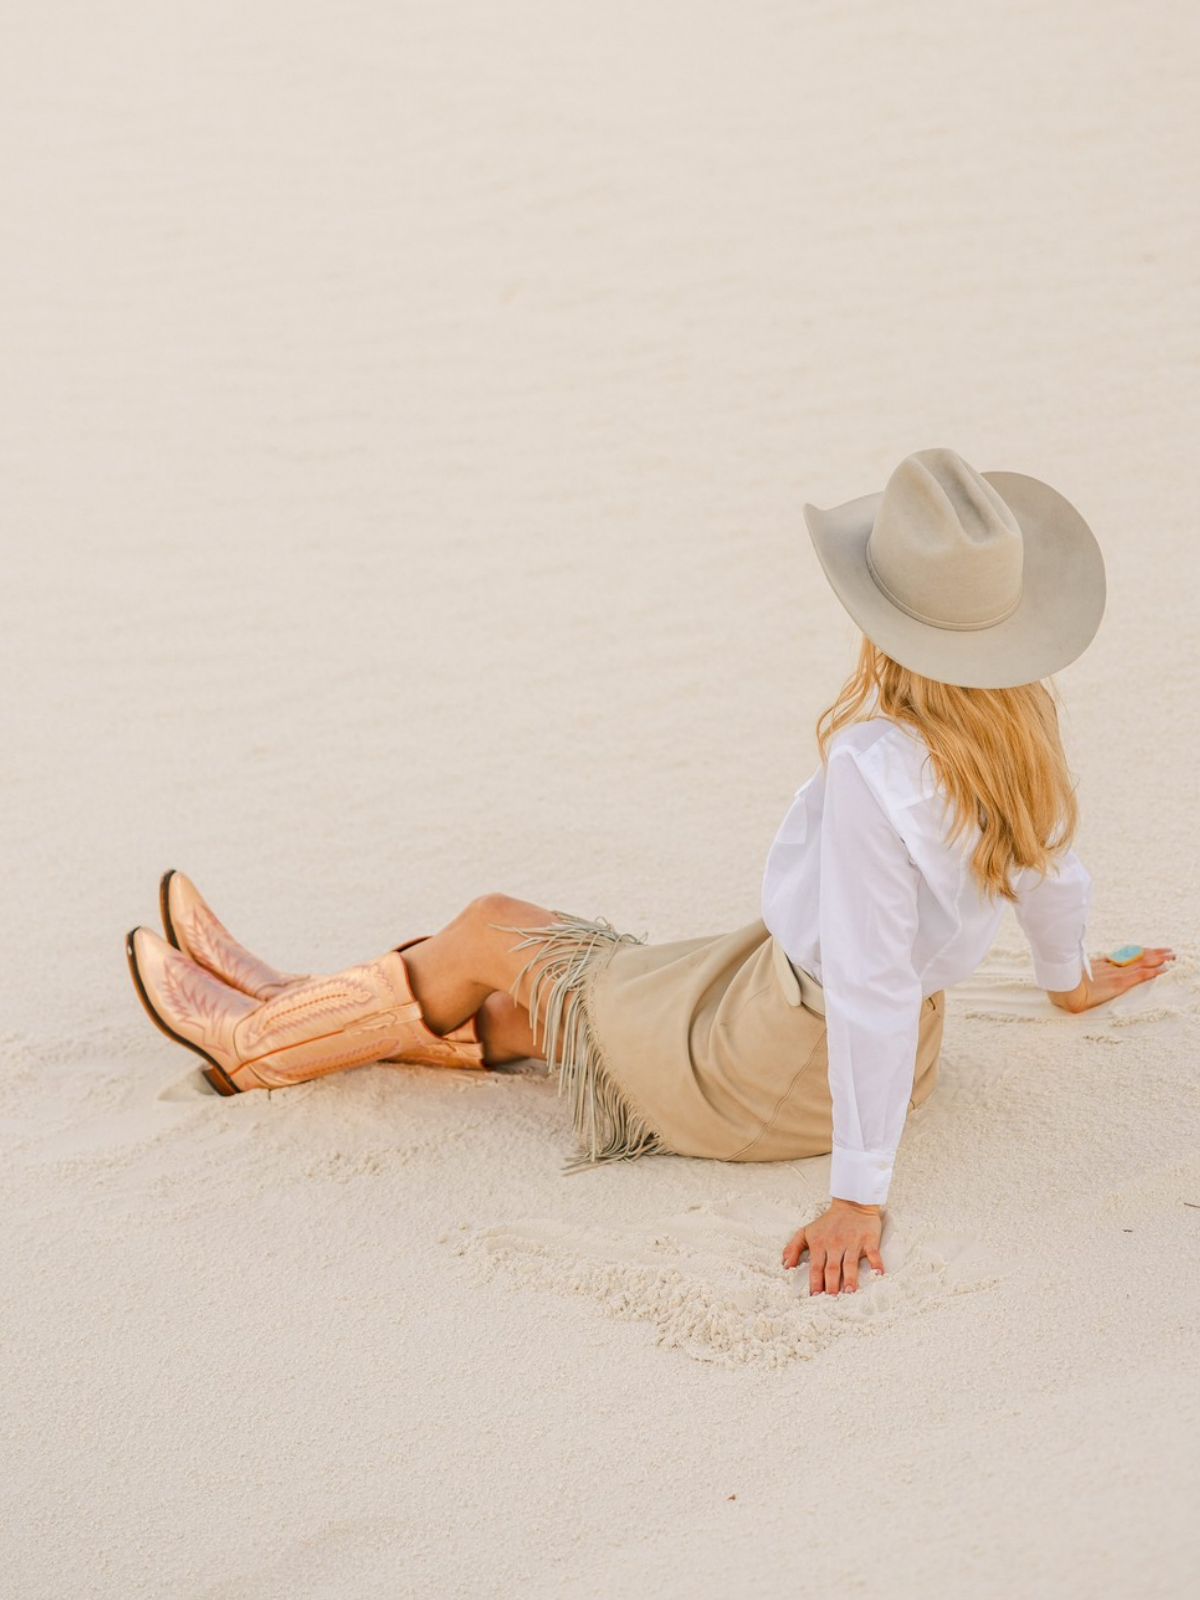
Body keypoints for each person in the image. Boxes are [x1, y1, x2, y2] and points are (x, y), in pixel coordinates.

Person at [125, 447, 1174, 1298]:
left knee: (495, 925)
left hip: (784, 1059)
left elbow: (868, 984)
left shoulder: (875, 765)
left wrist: (860, 1191)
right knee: (532, 1015)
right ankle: (295, 1003)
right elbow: (1055, 881)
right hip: (855, 1036)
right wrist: (1072, 982)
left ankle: (260, 1041)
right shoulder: (1022, 734)